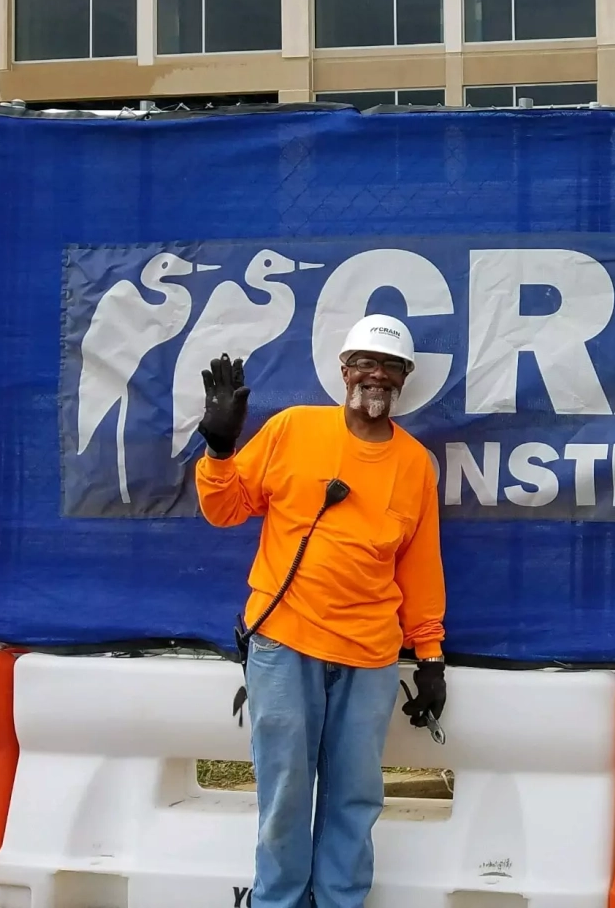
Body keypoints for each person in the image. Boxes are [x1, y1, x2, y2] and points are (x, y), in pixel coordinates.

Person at [193, 314, 447, 908]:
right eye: (365, 363)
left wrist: (429, 653)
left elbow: (421, 567)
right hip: (284, 643)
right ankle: (276, 901)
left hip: (371, 656)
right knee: (285, 791)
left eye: (390, 367)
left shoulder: (415, 465)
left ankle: (339, 902)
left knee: (354, 796)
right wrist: (221, 449)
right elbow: (225, 510)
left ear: (404, 378)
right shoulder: (291, 430)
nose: (376, 376)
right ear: (343, 371)